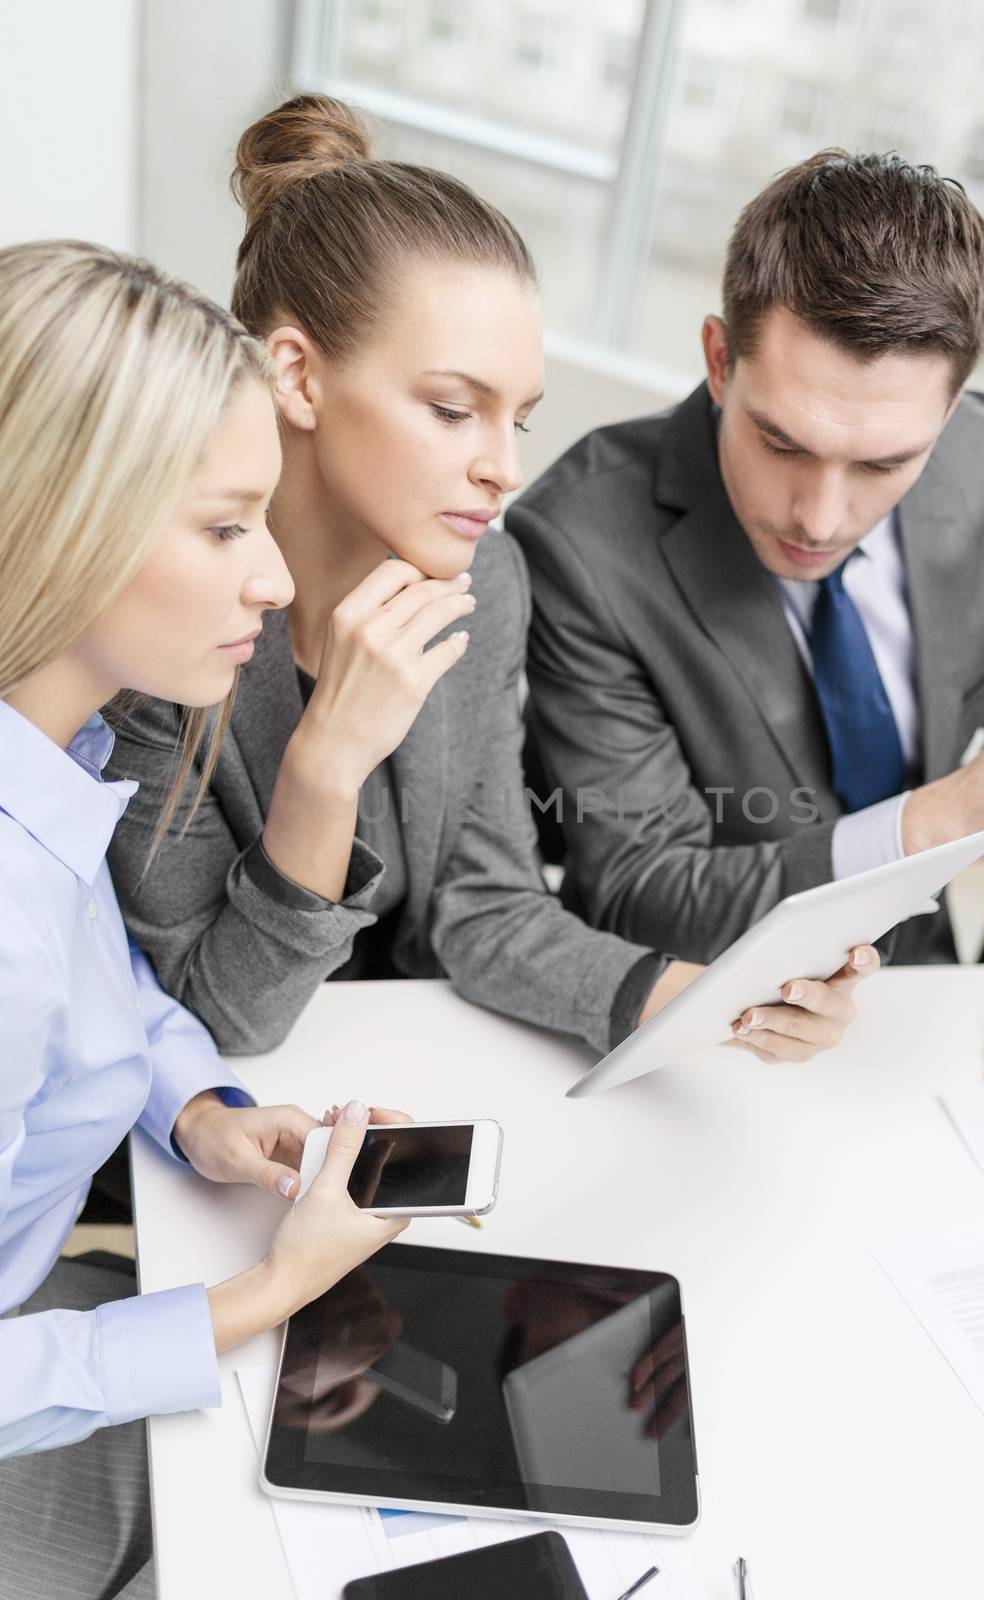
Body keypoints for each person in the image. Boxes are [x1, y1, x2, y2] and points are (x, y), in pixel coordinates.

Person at [107, 95, 877, 1071]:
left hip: (411, 1079)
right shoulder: (148, 625)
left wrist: (696, 996)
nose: (502, 470)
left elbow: (485, 899)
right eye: (451, 408)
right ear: (297, 377)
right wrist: (324, 768)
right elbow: (229, 1016)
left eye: (515, 421)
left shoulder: (485, 582)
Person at [507, 150, 984, 1152]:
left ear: (951, 408)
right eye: (780, 441)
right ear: (719, 360)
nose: (819, 514)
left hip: (925, 1035)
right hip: (702, 1045)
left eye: (883, 462)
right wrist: (946, 818)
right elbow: (640, 887)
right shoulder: (579, 541)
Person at [0, 240, 415, 1600]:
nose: (279, 579)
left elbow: (99, 964)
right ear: (74, 516)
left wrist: (198, 1113)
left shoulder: (48, 759)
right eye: (228, 525)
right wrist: (264, 1296)